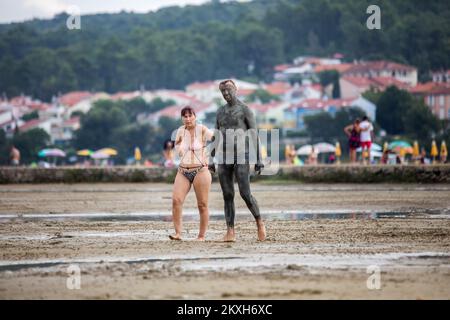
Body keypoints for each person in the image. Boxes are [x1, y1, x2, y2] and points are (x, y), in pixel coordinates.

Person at [209, 79, 266, 242]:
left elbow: (254, 134)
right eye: (223, 91)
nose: (226, 94)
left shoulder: (245, 110)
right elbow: (216, 135)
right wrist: (211, 158)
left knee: (245, 193)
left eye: (228, 90)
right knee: (227, 194)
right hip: (223, 157)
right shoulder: (220, 112)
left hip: (242, 155)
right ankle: (230, 231)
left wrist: (259, 159)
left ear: (236, 90)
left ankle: (260, 223)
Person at [169, 106, 214, 241]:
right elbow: (178, 148)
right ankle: (178, 233)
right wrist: (181, 147)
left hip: (201, 170)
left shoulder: (202, 129)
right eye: (185, 116)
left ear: (195, 116)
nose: (188, 119)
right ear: (182, 118)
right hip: (183, 170)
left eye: (190, 115)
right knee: (176, 200)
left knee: (202, 204)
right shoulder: (180, 131)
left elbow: (215, 138)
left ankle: (201, 236)